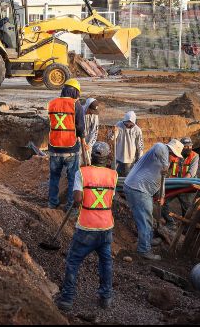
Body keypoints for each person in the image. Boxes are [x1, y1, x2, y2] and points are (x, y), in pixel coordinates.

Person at [55, 142, 118, 312]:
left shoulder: (82, 173)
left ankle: (67, 299)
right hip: (106, 227)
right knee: (106, 262)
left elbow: (76, 199)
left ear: (93, 157)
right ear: (107, 158)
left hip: (87, 227)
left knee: (73, 261)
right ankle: (106, 298)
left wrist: (81, 198)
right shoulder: (113, 175)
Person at [123, 139, 184, 261]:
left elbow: (161, 179)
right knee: (145, 220)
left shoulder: (165, 162)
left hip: (142, 189)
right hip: (138, 189)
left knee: (147, 218)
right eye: (175, 157)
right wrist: (166, 164)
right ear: (171, 151)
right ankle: (144, 250)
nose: (176, 160)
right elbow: (158, 146)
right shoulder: (161, 149)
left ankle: (148, 240)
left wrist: (161, 195)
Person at [47, 79, 86, 211]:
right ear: (76, 91)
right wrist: (83, 139)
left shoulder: (52, 103)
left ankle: (52, 203)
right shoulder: (76, 105)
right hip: (70, 148)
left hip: (54, 147)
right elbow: (80, 127)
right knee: (72, 179)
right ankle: (71, 207)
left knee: (54, 177)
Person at [161, 138, 199, 226]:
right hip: (174, 184)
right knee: (163, 202)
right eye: (186, 146)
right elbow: (167, 166)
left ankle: (185, 228)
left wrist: (182, 181)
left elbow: (191, 173)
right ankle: (170, 222)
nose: (188, 148)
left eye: (190, 146)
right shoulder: (175, 154)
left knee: (187, 208)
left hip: (187, 186)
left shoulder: (194, 156)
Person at [112, 111, 144, 176]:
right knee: (115, 176)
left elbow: (140, 146)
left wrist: (139, 159)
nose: (128, 125)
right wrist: (113, 131)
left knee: (128, 177)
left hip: (130, 159)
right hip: (118, 157)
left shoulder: (137, 130)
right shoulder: (119, 125)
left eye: (130, 124)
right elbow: (112, 138)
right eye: (127, 123)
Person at [81, 98, 100, 166]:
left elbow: (95, 131)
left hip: (88, 141)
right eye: (91, 110)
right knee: (77, 161)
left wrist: (89, 145)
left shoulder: (95, 115)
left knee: (87, 161)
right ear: (87, 107)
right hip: (77, 140)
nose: (92, 113)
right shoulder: (79, 111)